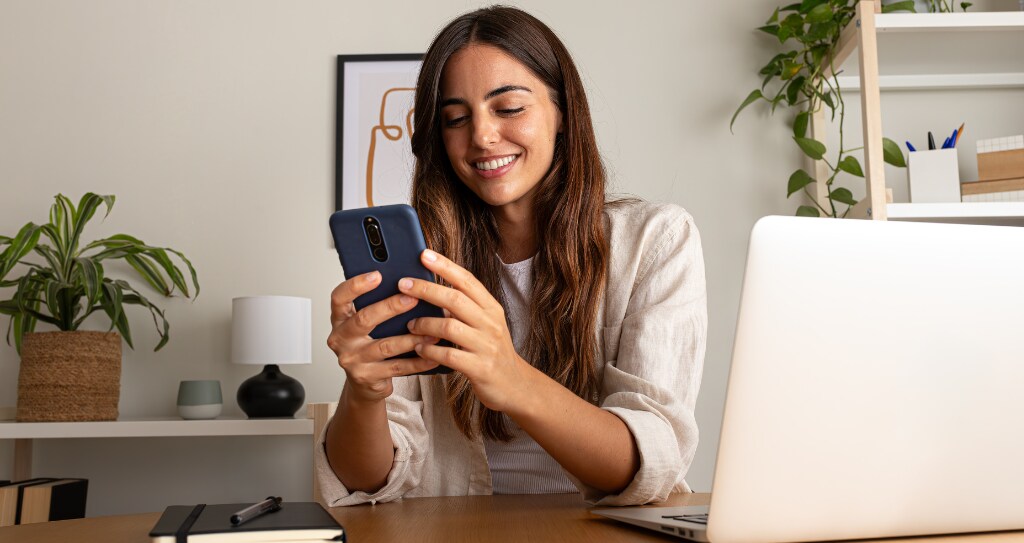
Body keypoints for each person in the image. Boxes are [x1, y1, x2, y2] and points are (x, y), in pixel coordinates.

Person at [317, 5, 706, 507]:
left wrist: (510, 376)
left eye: (509, 108)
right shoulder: (423, 264)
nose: (481, 136)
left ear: (562, 113)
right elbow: (364, 482)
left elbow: (650, 462)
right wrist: (364, 391)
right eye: (456, 118)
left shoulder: (655, 241)